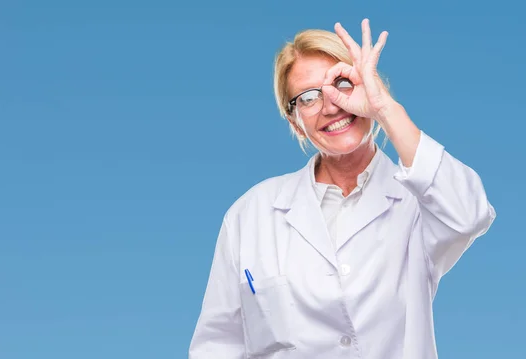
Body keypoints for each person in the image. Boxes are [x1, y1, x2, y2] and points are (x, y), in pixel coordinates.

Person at [188, 19, 495, 359]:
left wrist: (385, 109)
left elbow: (470, 215)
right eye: (308, 98)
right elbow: (217, 346)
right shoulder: (250, 215)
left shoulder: (417, 203)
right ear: (295, 122)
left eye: (342, 84)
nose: (331, 105)